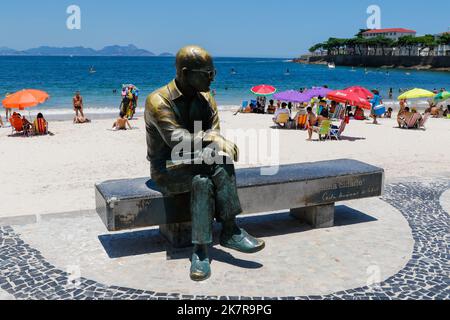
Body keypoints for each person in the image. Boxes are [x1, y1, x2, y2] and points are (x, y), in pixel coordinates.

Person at [145, 46, 265, 282]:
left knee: (213, 168)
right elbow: (176, 139)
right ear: (186, 73)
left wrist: (213, 140)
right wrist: (211, 139)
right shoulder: (157, 101)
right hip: (166, 168)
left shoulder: (207, 97)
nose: (212, 78)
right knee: (205, 174)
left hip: (199, 161)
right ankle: (206, 246)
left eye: (214, 72)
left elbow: (215, 132)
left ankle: (220, 236)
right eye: (207, 73)